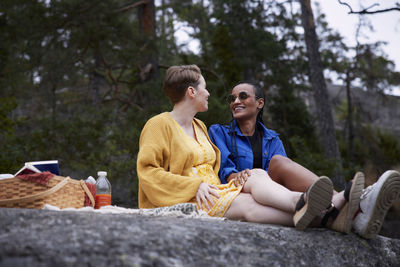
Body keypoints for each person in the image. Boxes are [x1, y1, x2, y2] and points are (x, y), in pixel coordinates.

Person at [137, 65, 335, 230]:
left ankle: (301, 200)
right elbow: (147, 172)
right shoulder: (158, 124)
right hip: (188, 196)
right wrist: (194, 186)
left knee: (255, 174)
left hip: (215, 190)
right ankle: (326, 217)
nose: (208, 93)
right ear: (191, 92)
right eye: (204, 88)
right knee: (248, 204)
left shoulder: (200, 126)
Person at [208, 81, 400, 238]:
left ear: (260, 103)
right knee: (270, 167)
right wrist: (236, 175)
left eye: (242, 96)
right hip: (239, 191)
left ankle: (344, 206)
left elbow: (282, 174)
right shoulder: (219, 132)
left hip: (271, 193)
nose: (235, 101)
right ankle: (346, 205)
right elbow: (223, 169)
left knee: (279, 162)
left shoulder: (272, 138)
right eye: (232, 98)